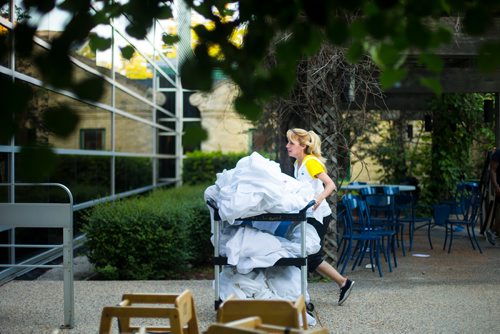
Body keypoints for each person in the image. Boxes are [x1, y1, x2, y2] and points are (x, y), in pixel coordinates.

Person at [286, 128, 354, 305]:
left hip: (318, 216)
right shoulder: (297, 165)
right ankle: (342, 283)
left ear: (303, 146)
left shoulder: (310, 162)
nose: (287, 146)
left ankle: (302, 299)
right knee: (308, 255)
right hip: (307, 215)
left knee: (306, 255)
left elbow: (330, 184)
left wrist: (318, 199)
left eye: (291, 143)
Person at [487, 148, 500, 245]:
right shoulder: (498, 153)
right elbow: (492, 170)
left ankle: (492, 231)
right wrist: (496, 186)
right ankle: (492, 231)